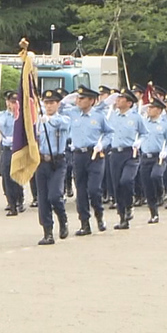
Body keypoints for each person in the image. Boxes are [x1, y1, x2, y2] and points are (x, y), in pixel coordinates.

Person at [60, 85, 115, 235]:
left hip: (95, 155)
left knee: (94, 189)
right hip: (78, 155)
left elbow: (109, 133)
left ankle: (99, 215)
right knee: (81, 190)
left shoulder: (98, 116)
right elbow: (56, 111)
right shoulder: (72, 113)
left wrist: (101, 144)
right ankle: (84, 223)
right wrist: (65, 101)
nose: (79, 100)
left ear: (91, 100)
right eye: (78, 97)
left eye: (82, 98)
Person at [106, 88, 147, 230]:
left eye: (121, 98)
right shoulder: (113, 116)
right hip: (115, 153)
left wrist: (139, 142)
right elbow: (106, 132)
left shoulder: (136, 117)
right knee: (117, 186)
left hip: (130, 153)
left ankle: (129, 205)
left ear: (129, 102)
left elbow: (144, 133)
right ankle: (122, 217)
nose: (118, 100)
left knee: (126, 180)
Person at [35, 89, 71, 245]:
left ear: (58, 104)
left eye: (52, 103)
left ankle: (62, 218)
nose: (48, 106)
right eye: (46, 103)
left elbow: (59, 124)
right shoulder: (39, 121)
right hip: (42, 162)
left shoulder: (64, 119)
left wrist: (47, 119)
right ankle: (48, 232)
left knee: (55, 195)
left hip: (57, 162)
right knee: (42, 200)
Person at [138, 97, 167, 223]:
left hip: (158, 157)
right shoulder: (143, 122)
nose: (149, 109)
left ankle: (161, 192)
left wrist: (166, 151)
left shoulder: (164, 125)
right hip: (145, 157)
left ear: (159, 110)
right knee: (147, 187)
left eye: (152, 107)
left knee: (156, 176)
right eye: (149, 107)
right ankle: (154, 213)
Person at [0, 92, 24, 216]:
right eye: (11, 102)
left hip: (18, 149)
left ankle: (19, 199)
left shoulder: (22, 116)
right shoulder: (4, 115)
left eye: (15, 102)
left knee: (16, 176)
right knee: (6, 176)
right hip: (7, 149)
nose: (12, 104)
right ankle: (12, 203)